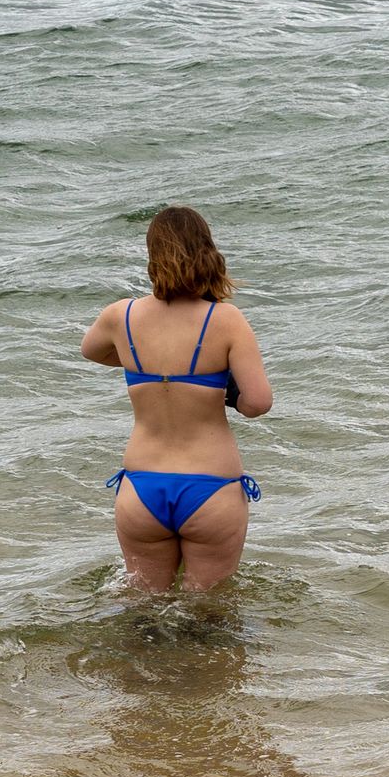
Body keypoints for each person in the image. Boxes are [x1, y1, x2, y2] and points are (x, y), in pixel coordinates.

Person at [80, 205, 273, 593]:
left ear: (153, 257)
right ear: (208, 252)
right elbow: (257, 403)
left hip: (140, 489)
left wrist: (144, 364)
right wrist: (222, 387)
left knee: (144, 611)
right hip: (211, 488)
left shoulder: (122, 316)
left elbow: (92, 351)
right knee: (210, 615)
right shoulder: (226, 319)